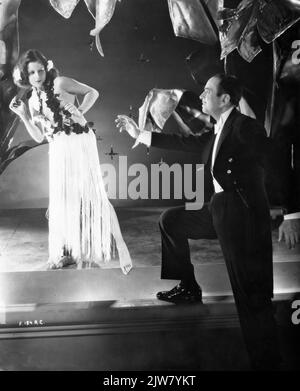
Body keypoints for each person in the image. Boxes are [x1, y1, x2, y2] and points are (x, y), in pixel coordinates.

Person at [116, 74, 281, 370]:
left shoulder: (244, 127)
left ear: (225, 99)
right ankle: (189, 286)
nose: (201, 96)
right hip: (220, 209)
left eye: (207, 92)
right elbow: (184, 141)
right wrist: (140, 134)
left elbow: (277, 161)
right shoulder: (219, 130)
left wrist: (293, 213)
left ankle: (266, 362)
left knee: (251, 297)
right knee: (173, 220)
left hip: (241, 217)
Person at [9, 49, 132, 275]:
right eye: (32, 73)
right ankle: (66, 252)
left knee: (95, 195)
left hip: (79, 141)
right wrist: (24, 116)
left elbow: (92, 92)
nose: (38, 76)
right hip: (58, 147)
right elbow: (39, 137)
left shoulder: (60, 83)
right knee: (61, 200)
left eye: (40, 70)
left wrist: (79, 110)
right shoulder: (33, 99)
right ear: (25, 77)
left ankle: (122, 247)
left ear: (47, 68)